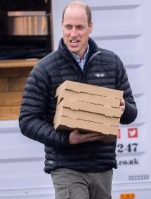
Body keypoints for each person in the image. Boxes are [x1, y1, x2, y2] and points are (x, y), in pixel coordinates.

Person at [19, 1, 137, 199]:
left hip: (102, 166)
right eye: (68, 27)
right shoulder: (45, 69)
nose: (73, 34)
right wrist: (66, 139)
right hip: (67, 166)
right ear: (62, 26)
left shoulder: (112, 63)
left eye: (80, 27)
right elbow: (27, 120)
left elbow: (131, 114)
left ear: (90, 27)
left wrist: (123, 108)